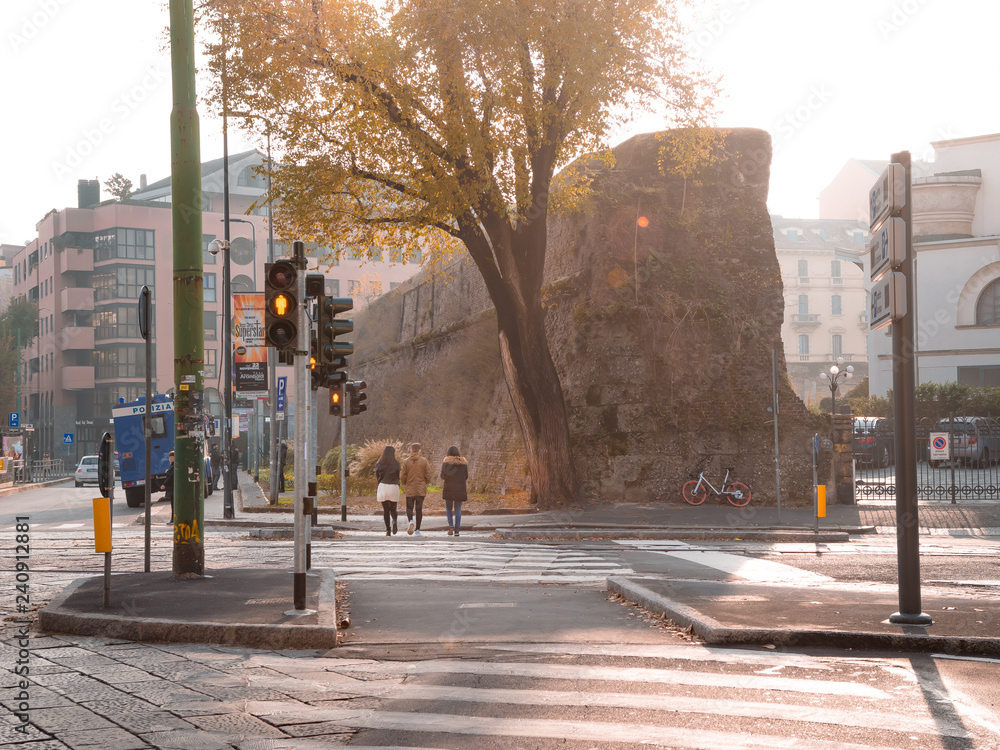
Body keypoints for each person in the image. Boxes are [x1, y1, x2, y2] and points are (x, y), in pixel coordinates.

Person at [399, 443, 432, 536]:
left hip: (410, 488)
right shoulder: (424, 461)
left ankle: (410, 521)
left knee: (409, 508)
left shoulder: (406, 461)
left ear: (410, 450)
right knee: (419, 509)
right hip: (420, 489)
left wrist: (405, 482)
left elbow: (402, 475)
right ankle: (417, 529)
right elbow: (428, 474)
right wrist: (425, 481)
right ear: (419, 451)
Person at [440, 446, 468, 537]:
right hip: (460, 489)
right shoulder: (463, 464)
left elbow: (442, 476)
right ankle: (457, 530)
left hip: (449, 488)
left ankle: (451, 525)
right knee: (458, 509)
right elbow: (466, 476)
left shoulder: (446, 463)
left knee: (448, 508)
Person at [375, 445, 401, 537]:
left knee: (386, 510)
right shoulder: (397, 464)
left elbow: (378, 477)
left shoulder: (379, 464)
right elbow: (398, 476)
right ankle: (394, 520)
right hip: (393, 486)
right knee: (393, 508)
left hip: (383, 486)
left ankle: (388, 530)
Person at [160, 450, 175, 522]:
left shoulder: (174, 465)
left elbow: (171, 476)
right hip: (172, 488)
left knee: (174, 504)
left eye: (171, 457)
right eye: (170, 458)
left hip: (173, 488)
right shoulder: (173, 465)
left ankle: (173, 519)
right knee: (173, 504)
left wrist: (164, 484)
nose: (170, 459)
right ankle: (173, 519)